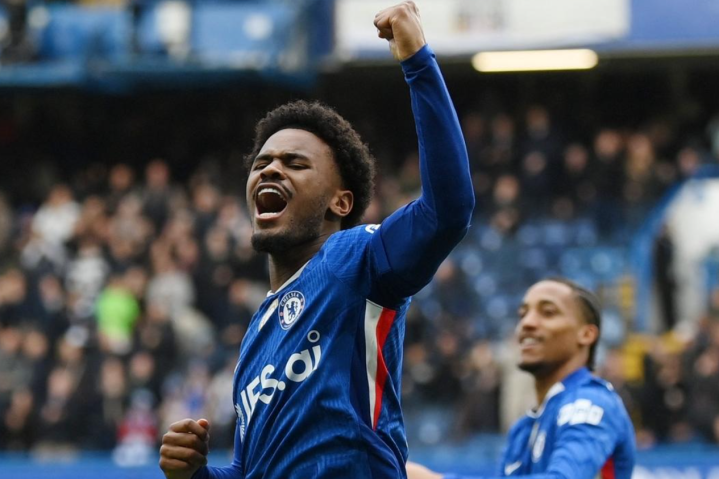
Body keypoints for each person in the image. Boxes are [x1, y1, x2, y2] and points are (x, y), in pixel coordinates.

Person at [159, 2, 475, 478]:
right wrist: (196, 472)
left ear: (340, 203)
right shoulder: (255, 337)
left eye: (295, 163)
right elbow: (248, 470)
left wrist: (418, 63)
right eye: (262, 163)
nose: (270, 169)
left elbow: (447, 212)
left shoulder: (355, 260)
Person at [407, 278, 636, 479]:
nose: (527, 323)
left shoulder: (590, 403)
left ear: (586, 334)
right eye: (523, 314)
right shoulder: (524, 427)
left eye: (548, 312)